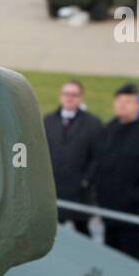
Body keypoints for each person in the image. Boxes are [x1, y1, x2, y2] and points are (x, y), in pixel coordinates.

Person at [91, 83, 139, 261]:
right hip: (109, 209)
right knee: (109, 255)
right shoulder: (109, 129)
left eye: (128, 102)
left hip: (133, 213)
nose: (122, 105)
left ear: (138, 105)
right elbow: (99, 163)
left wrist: (133, 198)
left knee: (130, 259)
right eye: (118, 101)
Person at [43, 79, 103, 235]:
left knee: (82, 233)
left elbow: (98, 156)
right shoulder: (48, 121)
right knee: (53, 233)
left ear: (81, 97)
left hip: (80, 192)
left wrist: (87, 180)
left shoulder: (93, 123)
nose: (69, 98)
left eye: (74, 95)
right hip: (54, 189)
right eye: (66, 94)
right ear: (60, 96)